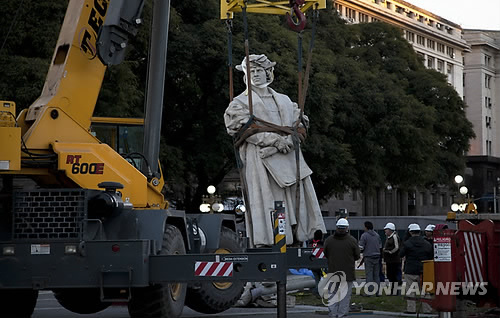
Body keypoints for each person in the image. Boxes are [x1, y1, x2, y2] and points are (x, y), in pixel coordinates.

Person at [224, 54, 326, 247]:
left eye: (259, 71)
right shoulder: (240, 102)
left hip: (289, 158)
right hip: (261, 161)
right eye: (251, 71)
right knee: (270, 201)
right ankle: (272, 239)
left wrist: (291, 138)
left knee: (295, 201)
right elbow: (240, 127)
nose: (255, 75)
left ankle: (298, 235)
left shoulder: (284, 100)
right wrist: (274, 140)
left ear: (268, 73)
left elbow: (300, 121)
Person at [324, 218, 360, 318]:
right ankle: (342, 314)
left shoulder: (329, 240)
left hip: (333, 273)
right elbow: (357, 255)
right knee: (345, 295)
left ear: (336, 227)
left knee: (332, 294)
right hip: (347, 273)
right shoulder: (352, 240)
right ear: (347, 228)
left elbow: (326, 253)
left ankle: (333, 313)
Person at [400, 224, 433, 314]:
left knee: (410, 290)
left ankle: (411, 309)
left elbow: (401, 254)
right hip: (423, 270)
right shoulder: (426, 243)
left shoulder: (407, 243)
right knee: (425, 291)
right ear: (420, 232)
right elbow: (431, 255)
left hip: (410, 269)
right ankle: (427, 309)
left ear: (410, 232)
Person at [359, 221, 382, 295]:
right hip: (377, 256)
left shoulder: (364, 235)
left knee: (369, 275)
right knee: (376, 275)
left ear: (366, 227)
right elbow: (380, 246)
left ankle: (369, 292)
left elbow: (361, 247)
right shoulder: (377, 235)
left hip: (368, 257)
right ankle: (377, 292)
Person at [382, 222, 401, 295]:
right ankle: (393, 290)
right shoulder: (389, 237)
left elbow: (396, 247)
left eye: (386, 229)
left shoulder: (394, 237)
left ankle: (395, 291)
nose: (385, 231)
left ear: (390, 230)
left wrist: (390, 252)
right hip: (389, 260)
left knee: (394, 276)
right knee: (390, 275)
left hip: (394, 260)